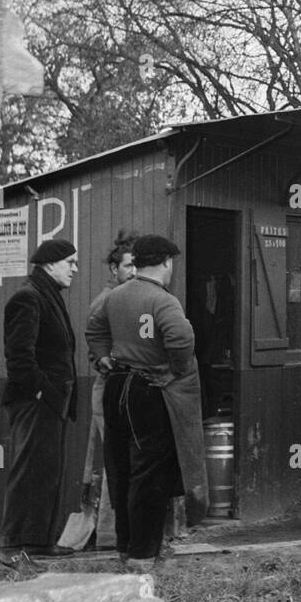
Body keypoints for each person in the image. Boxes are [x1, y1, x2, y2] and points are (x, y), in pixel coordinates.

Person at [87, 234, 207, 571]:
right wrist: (175, 371)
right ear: (167, 262)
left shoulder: (114, 297)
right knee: (149, 474)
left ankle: (125, 547)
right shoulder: (164, 301)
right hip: (149, 389)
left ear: (136, 263)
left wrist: (103, 358)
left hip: (116, 387)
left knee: (121, 469)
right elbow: (181, 338)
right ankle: (143, 555)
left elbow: (94, 331)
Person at [0, 237, 80, 565]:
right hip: (35, 402)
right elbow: (19, 357)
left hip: (50, 402)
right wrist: (45, 393)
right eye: (70, 262)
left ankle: (38, 542)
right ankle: (12, 546)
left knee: (46, 472)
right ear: (50, 264)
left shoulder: (47, 295)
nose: (75, 269)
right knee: (28, 471)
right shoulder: (27, 297)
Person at [76, 232, 136, 549]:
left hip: (129, 389)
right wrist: (112, 362)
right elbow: (95, 349)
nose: (133, 272)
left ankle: (119, 531)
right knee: (116, 459)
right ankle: (111, 535)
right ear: (114, 269)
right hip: (111, 388)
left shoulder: (134, 298)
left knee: (125, 458)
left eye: (137, 266)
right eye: (127, 266)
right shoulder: (105, 301)